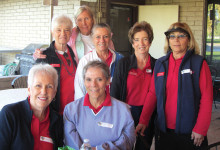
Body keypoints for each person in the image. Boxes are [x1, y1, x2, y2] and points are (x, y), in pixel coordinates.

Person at [136, 22, 213, 150]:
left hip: (191, 133)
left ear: (189, 40)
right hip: (164, 132)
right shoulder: (161, 63)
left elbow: (207, 98)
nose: (176, 40)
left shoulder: (198, 63)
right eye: (172, 36)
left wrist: (201, 128)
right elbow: (153, 94)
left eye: (181, 35)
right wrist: (144, 120)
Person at [63, 60, 135, 149]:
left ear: (108, 80)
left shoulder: (123, 110)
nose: (93, 84)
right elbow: (70, 143)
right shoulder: (71, 110)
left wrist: (98, 149)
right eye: (88, 79)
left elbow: (128, 141)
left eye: (99, 79)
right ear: (84, 81)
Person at [110, 21, 156, 150]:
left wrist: (146, 118)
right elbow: (115, 92)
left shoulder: (157, 65)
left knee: (143, 147)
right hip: (126, 112)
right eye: (137, 40)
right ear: (132, 43)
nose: (141, 44)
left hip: (147, 113)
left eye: (145, 39)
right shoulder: (123, 63)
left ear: (150, 42)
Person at [0, 64, 63, 150]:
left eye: (49, 86)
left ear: (54, 92)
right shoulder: (10, 114)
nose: (44, 92)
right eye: (38, 85)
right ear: (29, 89)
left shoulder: (57, 121)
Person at [34, 5, 114, 64]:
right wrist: (39, 53)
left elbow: (113, 58)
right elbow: (57, 47)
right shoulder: (71, 36)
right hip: (80, 80)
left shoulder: (103, 37)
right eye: (80, 20)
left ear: (92, 19)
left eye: (86, 18)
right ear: (76, 22)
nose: (84, 23)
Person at [36, 14, 77, 114]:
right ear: (52, 32)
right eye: (58, 30)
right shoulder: (44, 56)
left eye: (67, 30)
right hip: (55, 111)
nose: (63, 33)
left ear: (71, 33)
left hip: (74, 109)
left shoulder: (72, 53)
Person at [74, 23, 123, 100]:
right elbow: (79, 90)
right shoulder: (85, 61)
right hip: (92, 107)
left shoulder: (120, 59)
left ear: (110, 38)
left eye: (105, 36)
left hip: (115, 107)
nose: (102, 40)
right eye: (98, 37)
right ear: (92, 39)